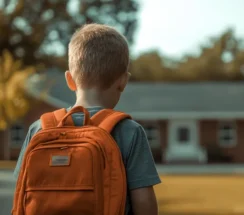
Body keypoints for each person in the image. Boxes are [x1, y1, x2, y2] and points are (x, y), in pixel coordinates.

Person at [13, 23, 161, 215]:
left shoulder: (40, 128)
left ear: (69, 80)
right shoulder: (128, 131)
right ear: (123, 81)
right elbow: (144, 202)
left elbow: (20, 192)